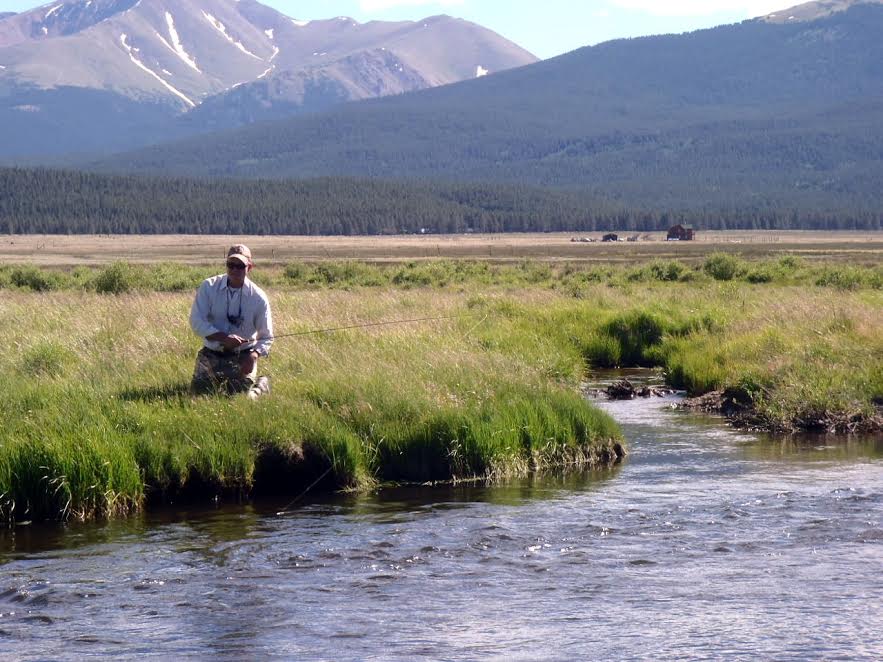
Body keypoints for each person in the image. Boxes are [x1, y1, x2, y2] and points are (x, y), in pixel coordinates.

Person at [189, 244, 273, 398]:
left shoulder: (258, 297)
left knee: (240, 396)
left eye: (240, 266)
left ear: (250, 267)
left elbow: (266, 336)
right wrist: (224, 338)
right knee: (199, 393)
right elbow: (196, 322)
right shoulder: (208, 287)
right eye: (231, 265)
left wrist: (253, 356)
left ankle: (262, 384)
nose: (234, 270)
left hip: (244, 355)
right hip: (212, 352)